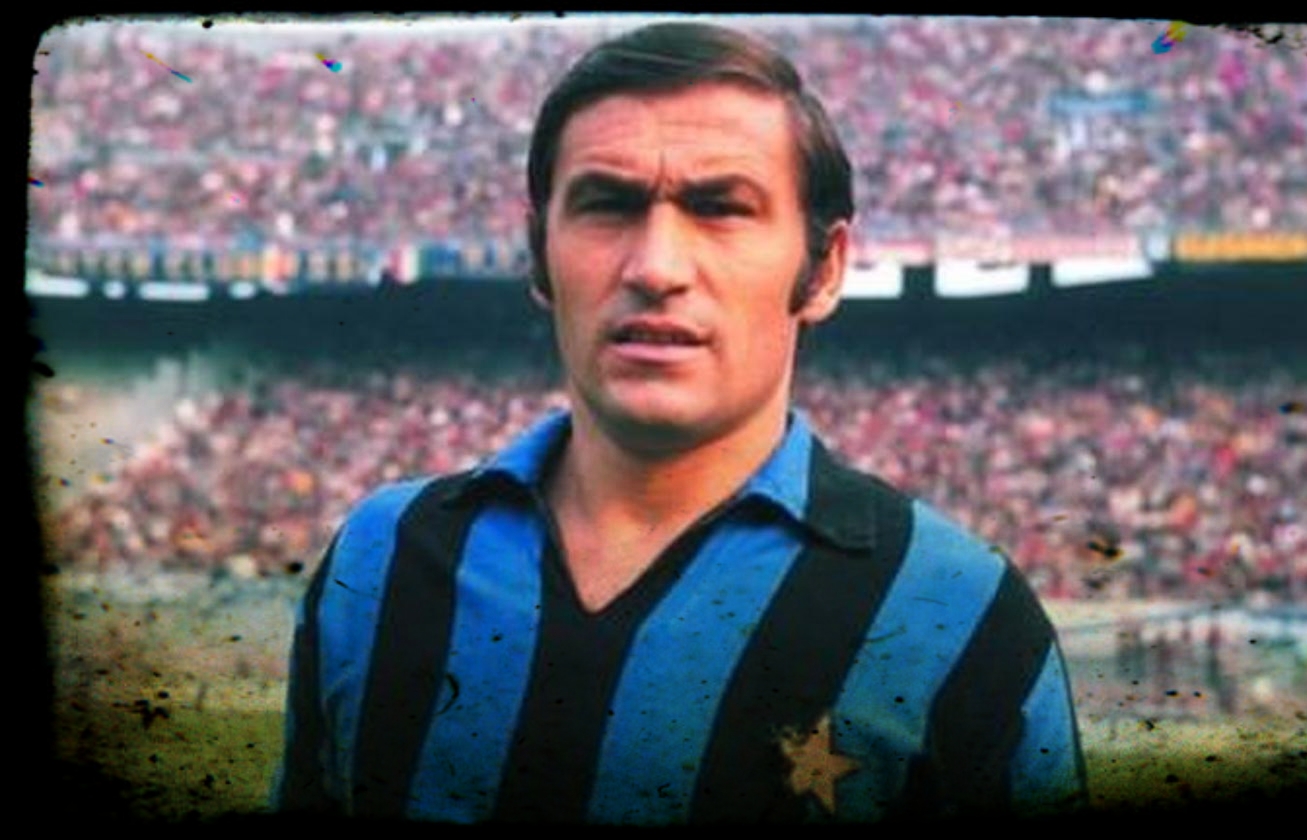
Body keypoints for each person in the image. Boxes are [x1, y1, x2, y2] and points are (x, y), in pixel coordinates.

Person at [275, 21, 1086, 824]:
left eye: (721, 208)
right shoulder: (382, 558)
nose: (657, 267)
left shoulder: (959, 613)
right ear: (539, 253)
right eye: (607, 205)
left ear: (824, 269)